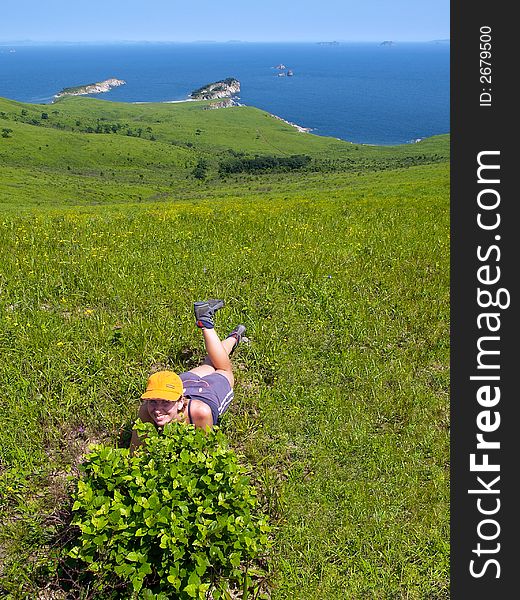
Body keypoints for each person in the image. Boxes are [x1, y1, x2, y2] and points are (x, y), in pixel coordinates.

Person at [130, 299, 246, 451]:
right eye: (153, 401)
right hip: (184, 383)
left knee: (224, 370)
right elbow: (135, 453)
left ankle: (218, 330)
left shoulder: (200, 413)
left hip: (209, 390)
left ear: (179, 402)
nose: (157, 409)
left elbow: (205, 454)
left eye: (165, 402)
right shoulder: (146, 410)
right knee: (211, 363)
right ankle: (232, 335)